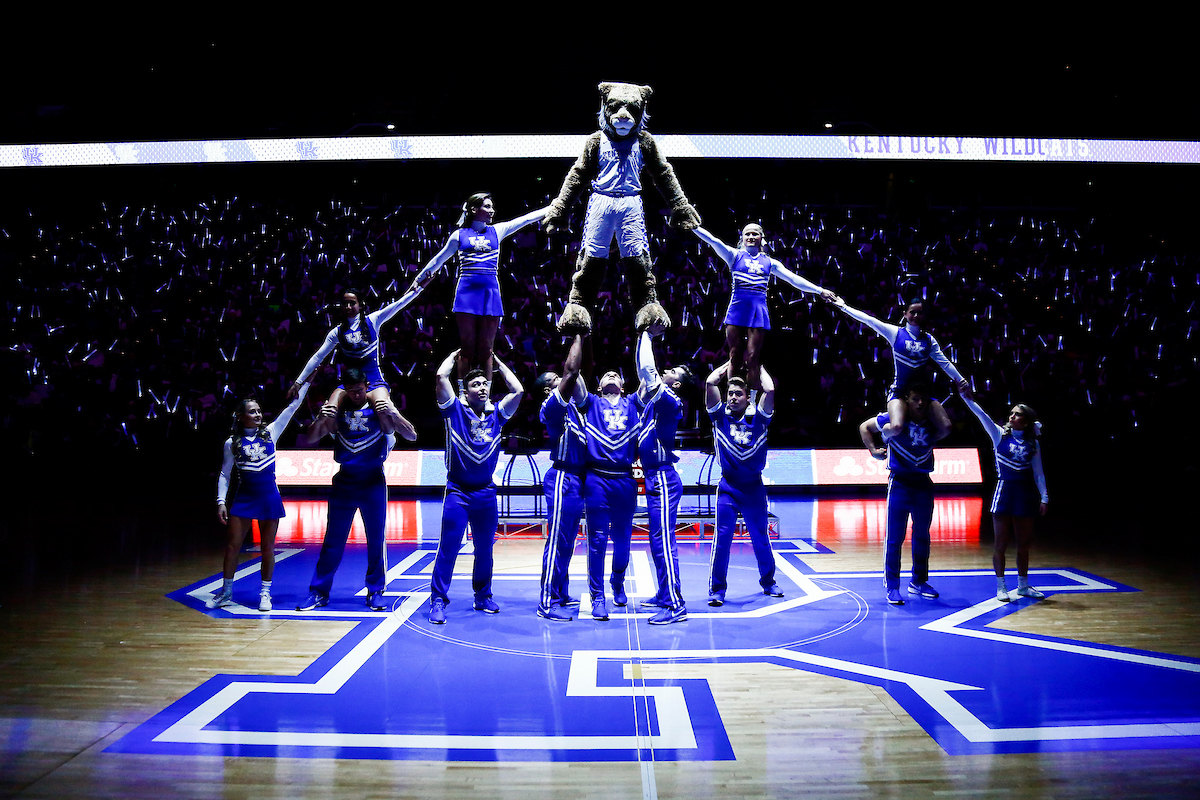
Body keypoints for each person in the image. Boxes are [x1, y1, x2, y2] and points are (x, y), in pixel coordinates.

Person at [296, 368, 417, 612]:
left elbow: (411, 435)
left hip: (372, 481)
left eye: (360, 390)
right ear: (345, 389)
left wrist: (393, 412)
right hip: (345, 481)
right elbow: (310, 438)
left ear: (366, 386)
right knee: (333, 539)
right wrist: (321, 417)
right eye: (351, 391)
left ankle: (375, 591)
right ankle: (319, 592)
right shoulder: (337, 409)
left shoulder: (379, 409)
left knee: (376, 539)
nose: (356, 395)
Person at [411, 193, 548, 388]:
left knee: (486, 348)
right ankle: (462, 392)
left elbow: (525, 219)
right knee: (467, 348)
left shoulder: (497, 231)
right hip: (466, 294)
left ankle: (486, 393)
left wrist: (554, 206)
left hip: (490, 293)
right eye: (488, 206)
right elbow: (438, 260)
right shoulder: (459, 235)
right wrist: (418, 279)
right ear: (474, 209)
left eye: (492, 207)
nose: (492, 210)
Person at [428, 350, 524, 624]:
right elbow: (440, 375)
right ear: (465, 391)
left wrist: (498, 363)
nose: (482, 388)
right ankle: (437, 600)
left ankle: (482, 596)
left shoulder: (498, 416)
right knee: (449, 547)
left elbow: (517, 390)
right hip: (458, 490)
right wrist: (457, 354)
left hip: (485, 492)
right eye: (475, 385)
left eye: (485, 384)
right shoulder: (453, 410)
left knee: (485, 549)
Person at [208, 381, 312, 611]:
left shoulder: (271, 433)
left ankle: (265, 593)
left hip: (269, 498)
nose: (257, 414)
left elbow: (293, 407)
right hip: (244, 498)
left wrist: (307, 380)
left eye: (258, 411)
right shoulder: (231, 443)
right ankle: (226, 592)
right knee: (233, 546)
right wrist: (221, 501)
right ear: (241, 416)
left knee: (268, 548)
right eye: (252, 411)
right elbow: (225, 474)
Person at [693, 223, 836, 390]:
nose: (751, 237)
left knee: (753, 357)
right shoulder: (734, 255)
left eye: (755, 234)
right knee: (735, 356)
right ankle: (733, 393)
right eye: (747, 234)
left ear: (761, 238)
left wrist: (819, 291)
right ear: (742, 238)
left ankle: (752, 398)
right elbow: (713, 241)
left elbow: (793, 279)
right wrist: (694, 227)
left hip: (757, 312)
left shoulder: (770, 262)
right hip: (737, 309)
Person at [858, 382, 952, 605]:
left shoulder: (932, 421)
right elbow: (864, 427)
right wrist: (873, 450)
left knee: (922, 535)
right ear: (906, 401)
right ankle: (892, 586)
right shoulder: (890, 419)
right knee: (895, 537)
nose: (920, 403)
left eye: (924, 399)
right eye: (915, 399)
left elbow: (945, 429)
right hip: (900, 482)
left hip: (923, 482)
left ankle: (918, 582)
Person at [704, 361, 782, 606]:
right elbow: (709, 382)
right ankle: (718, 590)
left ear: (749, 399)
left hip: (754, 489)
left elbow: (769, 390)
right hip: (728, 488)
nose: (733, 397)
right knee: (723, 537)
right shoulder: (719, 419)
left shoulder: (759, 421)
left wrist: (757, 364)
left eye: (739, 394)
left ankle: (768, 582)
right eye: (730, 393)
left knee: (760, 536)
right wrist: (731, 363)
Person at [833, 296, 968, 437]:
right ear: (905, 313)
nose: (916, 316)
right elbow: (869, 320)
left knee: (946, 427)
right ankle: (885, 434)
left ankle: (921, 446)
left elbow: (944, 363)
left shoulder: (929, 340)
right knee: (896, 426)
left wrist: (961, 381)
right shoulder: (895, 333)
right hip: (899, 392)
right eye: (912, 312)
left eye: (919, 313)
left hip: (921, 393)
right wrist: (844, 307)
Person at [960, 387, 1049, 602]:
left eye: (1017, 414)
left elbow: (1038, 473)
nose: (1012, 416)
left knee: (1023, 544)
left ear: (1026, 422)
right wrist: (966, 398)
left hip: (1025, 494)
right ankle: (1000, 587)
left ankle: (1023, 585)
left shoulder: (1033, 443)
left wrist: (1044, 497)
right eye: (1011, 412)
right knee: (1000, 544)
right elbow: (983, 416)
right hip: (1004, 492)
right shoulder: (999, 435)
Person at [572, 355, 643, 621]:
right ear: (598, 386)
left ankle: (617, 580)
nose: (612, 375)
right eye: (606, 375)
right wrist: (579, 336)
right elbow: (574, 372)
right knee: (598, 541)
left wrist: (645, 335)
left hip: (625, 479)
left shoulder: (634, 402)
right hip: (596, 479)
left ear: (624, 386)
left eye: (616, 375)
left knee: (623, 539)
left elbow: (649, 374)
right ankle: (597, 596)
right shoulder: (590, 402)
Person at [633, 331, 694, 624]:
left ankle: (675, 605)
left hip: (664, 478)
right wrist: (641, 338)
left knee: (664, 542)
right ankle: (664, 593)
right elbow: (644, 374)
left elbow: (647, 370)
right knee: (657, 540)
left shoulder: (669, 400)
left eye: (670, 372)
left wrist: (646, 334)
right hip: (655, 477)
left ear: (676, 384)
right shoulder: (656, 403)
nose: (664, 372)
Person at [286, 285, 419, 412]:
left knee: (385, 409)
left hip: (374, 379)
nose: (348, 306)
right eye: (345, 303)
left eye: (352, 303)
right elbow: (318, 357)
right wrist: (298, 382)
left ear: (360, 305)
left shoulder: (373, 320)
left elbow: (398, 305)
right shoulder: (336, 332)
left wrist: (418, 289)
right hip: (350, 383)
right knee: (327, 413)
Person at [532, 336, 589, 622]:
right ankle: (547, 600)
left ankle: (561, 591)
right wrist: (578, 334)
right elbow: (572, 372)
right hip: (562, 476)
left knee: (567, 541)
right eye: (555, 379)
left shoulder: (576, 409)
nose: (562, 380)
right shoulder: (552, 407)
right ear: (547, 389)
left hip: (578, 478)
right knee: (556, 540)